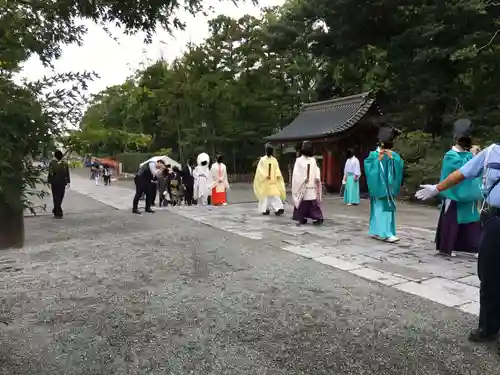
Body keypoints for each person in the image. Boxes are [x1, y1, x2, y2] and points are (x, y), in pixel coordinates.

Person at [415, 142, 500, 347]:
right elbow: (462, 173)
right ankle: (488, 327)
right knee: (488, 275)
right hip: (495, 220)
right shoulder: (491, 152)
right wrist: (437, 188)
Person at [435, 119, 482, 257]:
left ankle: (474, 247)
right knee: (453, 220)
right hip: (455, 193)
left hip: (469, 194)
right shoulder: (450, 155)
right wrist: (473, 155)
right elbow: (463, 169)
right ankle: (448, 247)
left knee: (472, 221)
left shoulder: (468, 154)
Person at [364, 127, 404, 243]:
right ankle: (383, 233)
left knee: (386, 210)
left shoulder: (393, 155)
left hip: (388, 188)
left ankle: (382, 232)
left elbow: (400, 164)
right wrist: (378, 160)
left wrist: (395, 159)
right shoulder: (373, 154)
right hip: (379, 187)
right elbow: (368, 168)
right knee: (379, 209)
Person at [292, 141, 323, 225]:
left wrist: (317, 177)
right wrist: (303, 179)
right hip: (303, 186)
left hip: (311, 185)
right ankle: (302, 218)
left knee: (312, 203)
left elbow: (317, 170)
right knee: (303, 203)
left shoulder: (313, 160)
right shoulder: (298, 161)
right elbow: (296, 173)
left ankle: (317, 217)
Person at [253, 143, 286, 216]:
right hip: (265, 182)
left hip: (273, 181)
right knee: (265, 197)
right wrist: (265, 175)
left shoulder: (274, 160)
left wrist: (277, 175)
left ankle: (279, 208)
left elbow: (277, 168)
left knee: (275, 195)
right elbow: (260, 170)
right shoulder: (262, 160)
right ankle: (265, 209)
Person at [47, 150, 71, 219]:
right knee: (60, 196)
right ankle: (58, 212)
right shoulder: (57, 163)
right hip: (61, 182)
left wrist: (49, 181)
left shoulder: (60, 163)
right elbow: (67, 173)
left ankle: (56, 210)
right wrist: (68, 182)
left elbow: (50, 173)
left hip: (55, 182)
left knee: (56, 197)